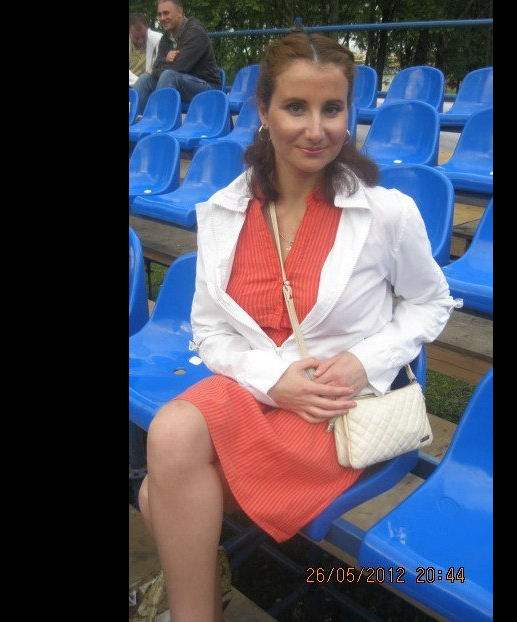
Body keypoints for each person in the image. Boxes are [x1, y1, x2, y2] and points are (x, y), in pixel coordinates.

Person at [137, 33, 461, 620]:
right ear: (263, 111)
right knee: (171, 443)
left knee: (158, 487)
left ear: (350, 113)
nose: (316, 129)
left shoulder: (386, 213)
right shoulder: (224, 212)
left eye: (332, 108)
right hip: (256, 392)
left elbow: (431, 303)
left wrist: (364, 361)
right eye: (295, 107)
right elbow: (210, 334)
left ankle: (194, 605)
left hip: (338, 412)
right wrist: (274, 381)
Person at [132, 0, 221, 114]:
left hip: (208, 87)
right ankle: (138, 119)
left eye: (166, 13)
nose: (162, 18)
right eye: (159, 14)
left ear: (179, 11)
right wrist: (166, 60)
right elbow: (158, 64)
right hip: (180, 83)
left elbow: (180, 67)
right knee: (145, 79)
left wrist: (156, 70)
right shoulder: (166, 37)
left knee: (168, 76)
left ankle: (160, 121)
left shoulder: (195, 31)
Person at [129, 13, 162, 87]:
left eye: (143, 36)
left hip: (149, 85)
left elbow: (160, 67)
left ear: (147, 29)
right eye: (136, 38)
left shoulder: (158, 40)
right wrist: (140, 82)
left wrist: (143, 82)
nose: (140, 41)